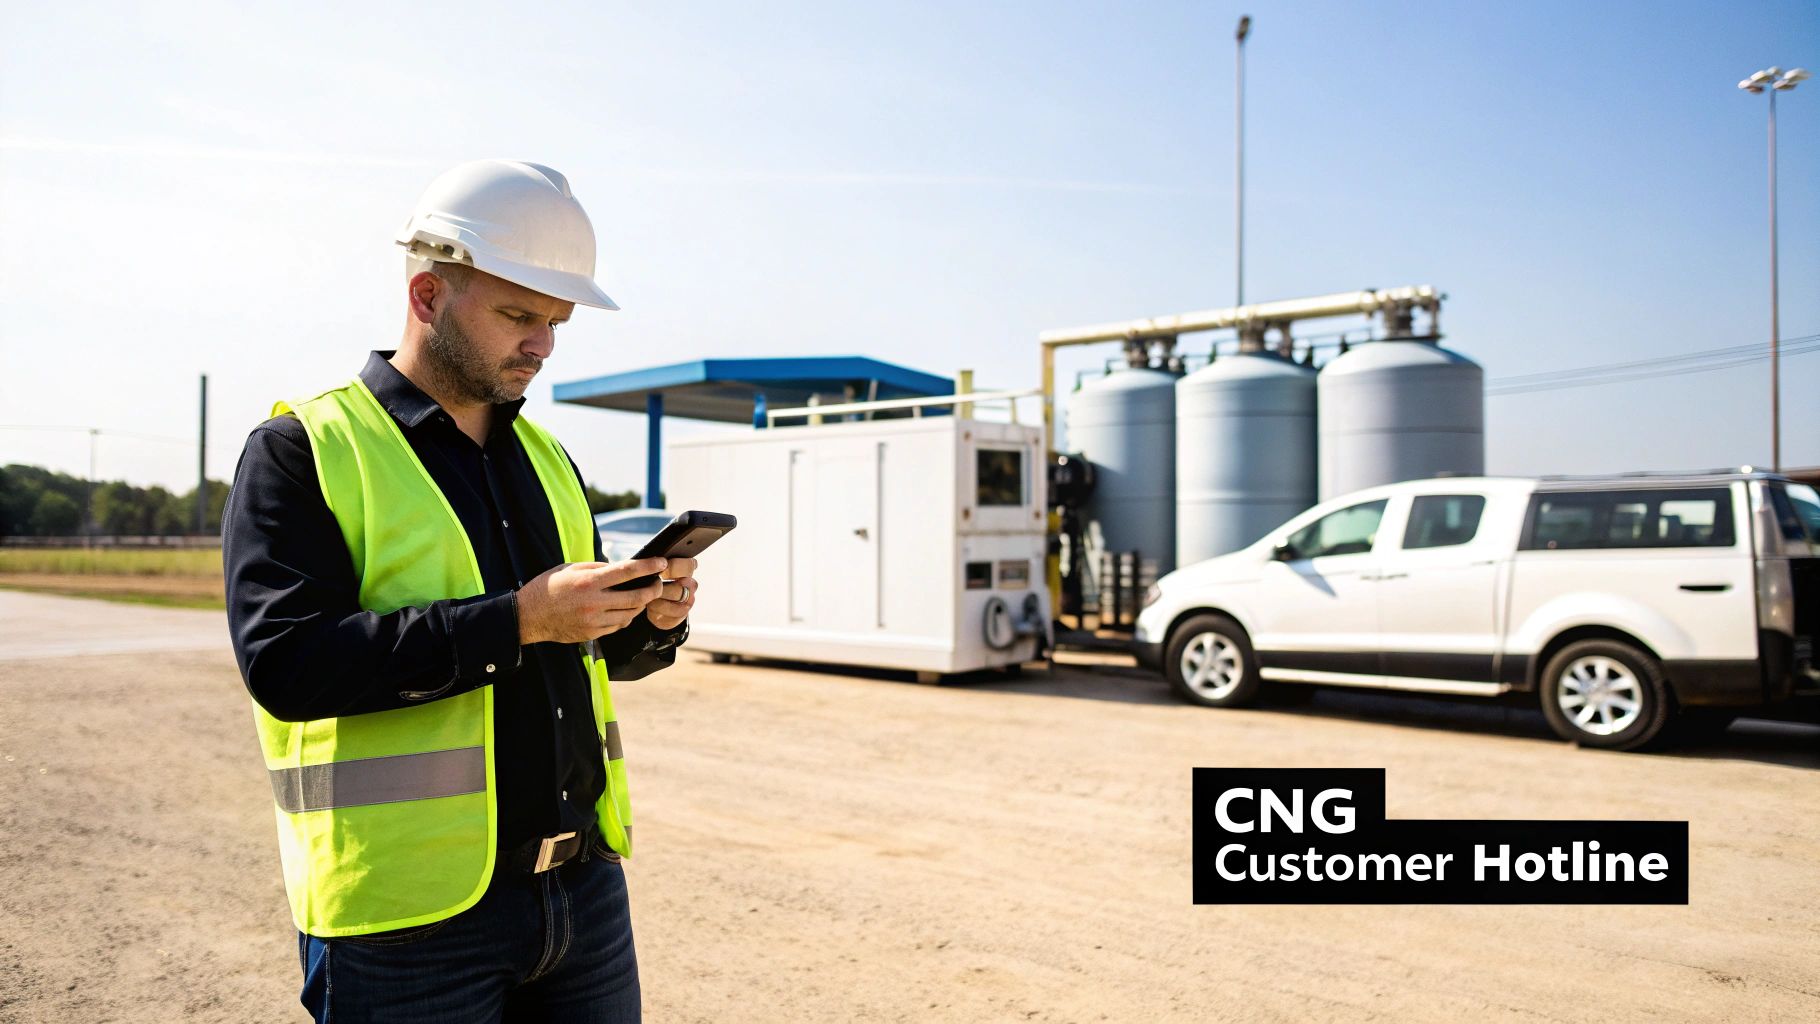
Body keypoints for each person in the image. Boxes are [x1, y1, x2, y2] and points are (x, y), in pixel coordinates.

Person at [223, 159, 693, 1023]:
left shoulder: (549, 460)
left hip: (581, 895)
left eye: (556, 320)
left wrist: (649, 621)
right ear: (429, 296)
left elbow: (592, 654)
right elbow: (288, 666)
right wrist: (518, 619)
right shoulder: (304, 450)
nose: (543, 344)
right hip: (406, 923)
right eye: (519, 314)